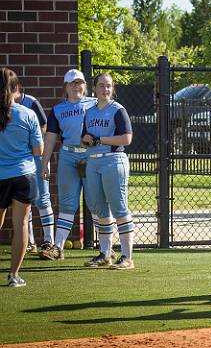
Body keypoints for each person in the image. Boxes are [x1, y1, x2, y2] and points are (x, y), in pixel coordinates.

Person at [39, 69, 98, 261]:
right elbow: (49, 139)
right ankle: (58, 248)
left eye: (79, 82)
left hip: (92, 157)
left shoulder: (96, 104)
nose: (76, 86)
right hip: (68, 157)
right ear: (65, 87)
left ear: (85, 85)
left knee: (97, 203)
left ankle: (107, 248)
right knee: (67, 204)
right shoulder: (58, 110)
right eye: (72, 83)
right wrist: (44, 163)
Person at [80, 73, 136, 269]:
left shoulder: (118, 110)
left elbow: (126, 139)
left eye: (109, 86)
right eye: (101, 85)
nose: (105, 89)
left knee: (119, 208)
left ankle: (127, 257)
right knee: (99, 209)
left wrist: (99, 140)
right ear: (94, 88)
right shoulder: (89, 112)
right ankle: (105, 253)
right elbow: (84, 139)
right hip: (93, 162)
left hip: (113, 161)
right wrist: (86, 140)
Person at [0, 68, 43, 287]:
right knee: (21, 225)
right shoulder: (28, 114)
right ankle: (14, 276)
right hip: (24, 175)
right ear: (17, 89)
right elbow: (38, 150)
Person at [16, 87, 55, 254]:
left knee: (43, 199)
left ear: (16, 88)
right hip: (19, 159)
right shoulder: (5, 104)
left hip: (36, 156)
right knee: (24, 201)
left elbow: (44, 126)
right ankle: (30, 242)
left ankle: (49, 241)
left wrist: (30, 139)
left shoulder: (30, 102)